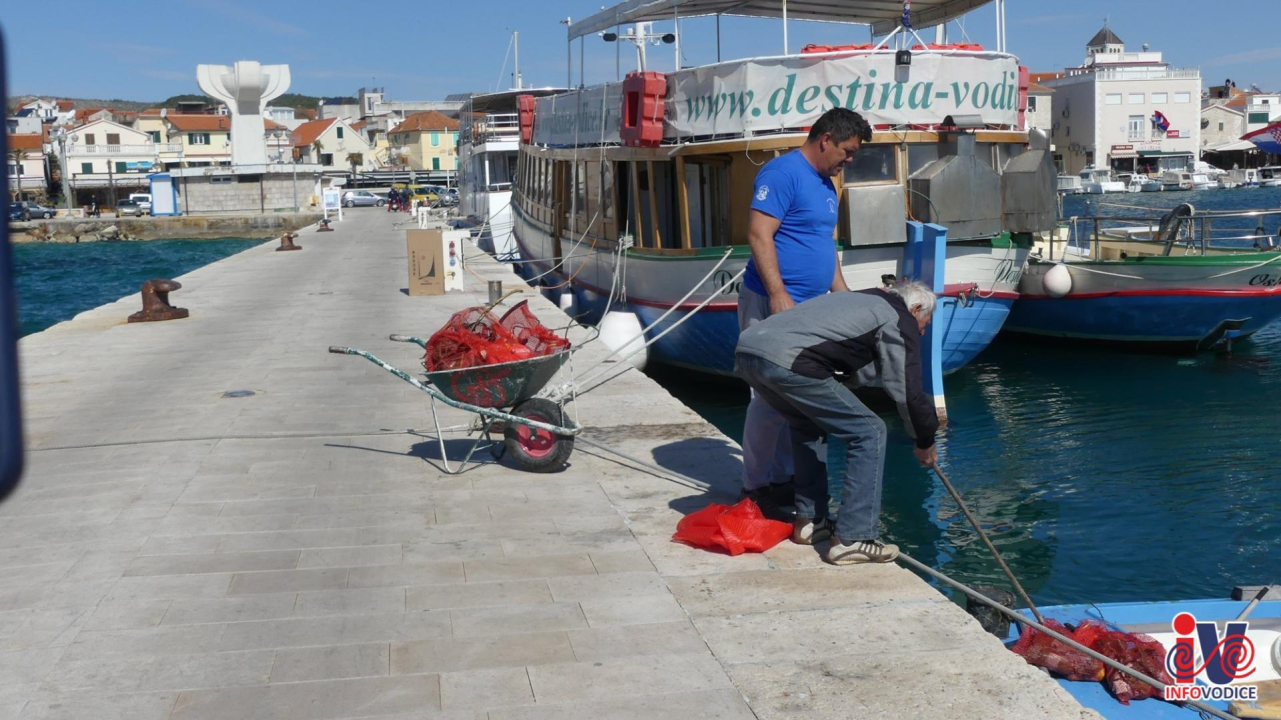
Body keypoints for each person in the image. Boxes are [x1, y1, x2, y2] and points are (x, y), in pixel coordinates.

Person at [734, 282, 940, 566]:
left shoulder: (863, 298)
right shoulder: (898, 317)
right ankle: (853, 539)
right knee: (870, 432)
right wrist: (925, 440)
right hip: (787, 360)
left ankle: (811, 521)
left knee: (807, 423)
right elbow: (908, 392)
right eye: (925, 323)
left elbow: (845, 365)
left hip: (748, 352)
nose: (922, 331)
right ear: (916, 309)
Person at [738, 108, 873, 519]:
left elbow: (823, 246)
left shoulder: (828, 184)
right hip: (772, 302)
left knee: (795, 401)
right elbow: (759, 234)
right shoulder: (782, 174)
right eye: (847, 151)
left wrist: (844, 298)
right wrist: (778, 294)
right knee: (767, 398)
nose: (849, 160)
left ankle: (784, 480)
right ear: (825, 139)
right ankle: (755, 486)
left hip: (811, 309)